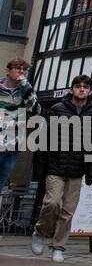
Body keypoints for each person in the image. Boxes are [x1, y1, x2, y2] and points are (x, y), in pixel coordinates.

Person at [31, 75, 92, 263]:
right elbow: (44, 140)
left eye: (85, 87)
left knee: (68, 211)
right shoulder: (57, 109)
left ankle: (58, 247)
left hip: (77, 169)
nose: (82, 90)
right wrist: (40, 168)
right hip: (55, 166)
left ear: (90, 91)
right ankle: (40, 231)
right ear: (72, 89)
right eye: (78, 86)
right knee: (52, 203)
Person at [1, 58, 40, 188]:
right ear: (8, 71)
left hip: (13, 146)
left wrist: (25, 85)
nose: (21, 72)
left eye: (24, 70)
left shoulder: (25, 91)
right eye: (18, 68)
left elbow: (35, 110)